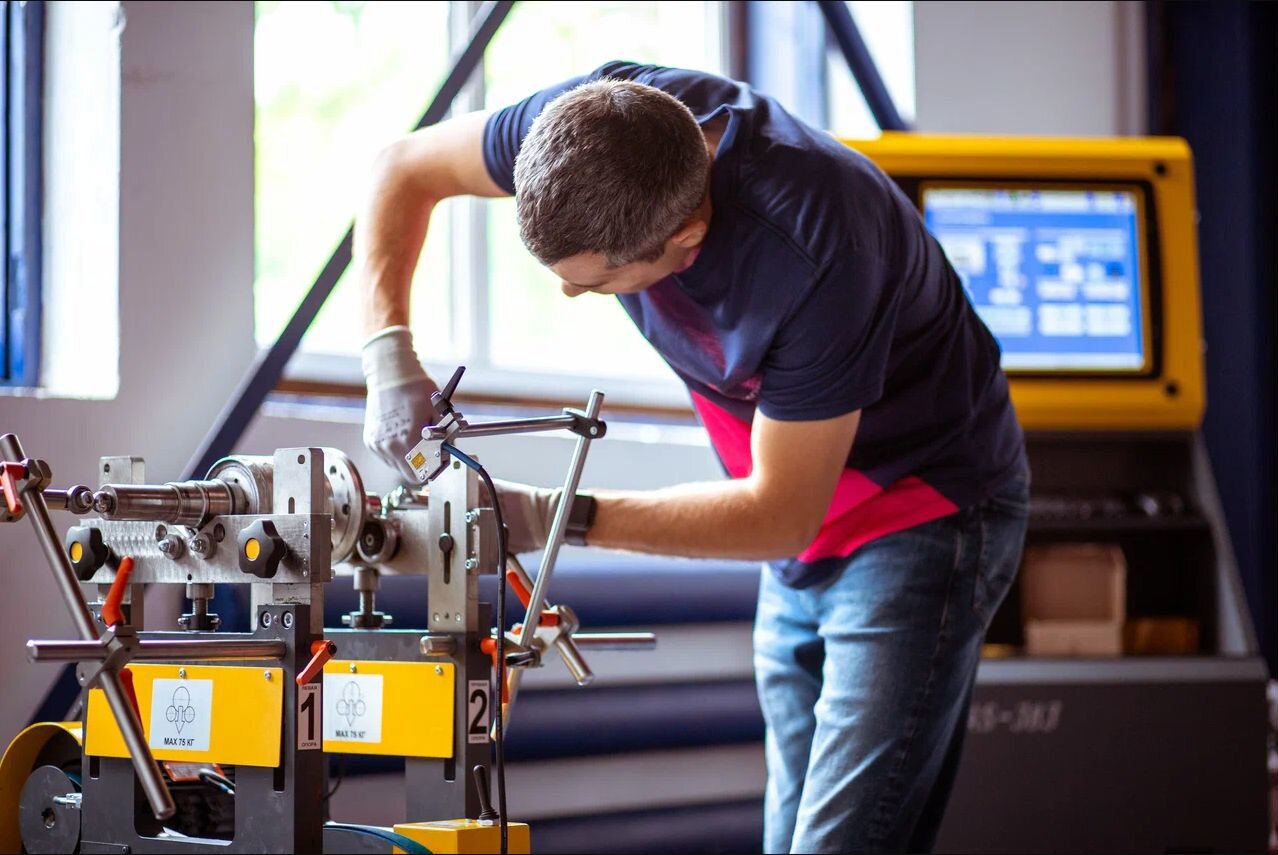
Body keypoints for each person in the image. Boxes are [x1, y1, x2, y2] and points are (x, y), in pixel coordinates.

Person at [357, 61, 1029, 854]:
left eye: (595, 282)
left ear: (686, 242)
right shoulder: (593, 123)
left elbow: (778, 513)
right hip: (801, 522)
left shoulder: (820, 250)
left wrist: (550, 514)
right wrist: (386, 352)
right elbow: (402, 167)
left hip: (923, 507)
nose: (574, 297)